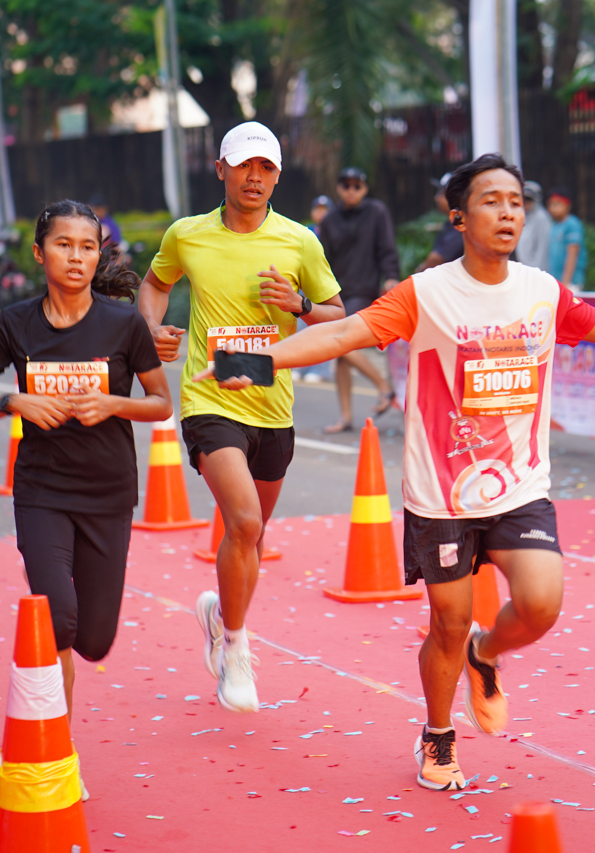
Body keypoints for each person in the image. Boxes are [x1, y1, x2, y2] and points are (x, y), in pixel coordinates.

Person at [197, 153, 595, 790]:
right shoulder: (426, 294)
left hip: (519, 485)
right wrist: (259, 361)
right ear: (459, 218)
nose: (508, 212)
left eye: (515, 202)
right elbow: (343, 334)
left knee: (541, 603)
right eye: (492, 201)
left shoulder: (542, 291)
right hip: (441, 495)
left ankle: (485, 654)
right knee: (448, 622)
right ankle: (438, 733)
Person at [0, 200, 172, 799]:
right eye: (63, 244)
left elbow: (161, 403)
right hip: (42, 492)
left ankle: (55, 734)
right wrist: (13, 400)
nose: (76, 257)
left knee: (93, 640)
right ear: (39, 252)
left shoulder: (123, 324)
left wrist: (114, 404)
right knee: (57, 621)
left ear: (98, 255)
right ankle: (56, 754)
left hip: (108, 493)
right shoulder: (15, 324)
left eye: (87, 246)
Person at [137, 121, 345, 713]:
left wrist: (301, 305)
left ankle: (218, 618)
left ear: (277, 176)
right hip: (210, 397)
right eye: (245, 165)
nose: (255, 177)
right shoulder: (188, 235)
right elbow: (154, 284)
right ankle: (234, 646)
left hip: (271, 403)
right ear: (221, 169)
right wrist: (150, 328)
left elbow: (338, 316)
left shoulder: (299, 241)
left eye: (266, 168)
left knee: (249, 536)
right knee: (246, 522)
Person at [316, 167, 399, 433]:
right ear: (338, 188)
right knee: (340, 354)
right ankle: (346, 417)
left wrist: (391, 277)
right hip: (337, 293)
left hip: (364, 290)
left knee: (340, 343)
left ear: (364, 188)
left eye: (357, 186)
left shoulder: (376, 212)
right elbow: (322, 259)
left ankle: (384, 387)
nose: (351, 190)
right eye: (346, 185)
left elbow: (387, 249)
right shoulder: (329, 220)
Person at [414, 173, 464, 272]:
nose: (436, 198)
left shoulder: (460, 224)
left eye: (441, 193)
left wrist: (420, 272)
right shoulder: (450, 223)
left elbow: (437, 258)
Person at [546, 186, 585, 289]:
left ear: (567, 205)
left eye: (557, 204)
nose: (553, 208)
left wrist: (565, 283)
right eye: (551, 204)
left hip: (570, 282)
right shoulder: (554, 225)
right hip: (556, 281)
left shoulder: (572, 224)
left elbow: (572, 254)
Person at [516, 181, 551, 272]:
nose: (526, 203)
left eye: (529, 200)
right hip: (524, 267)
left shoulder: (541, 218)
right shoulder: (524, 217)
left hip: (536, 270)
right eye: (524, 199)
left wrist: (537, 272)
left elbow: (543, 249)